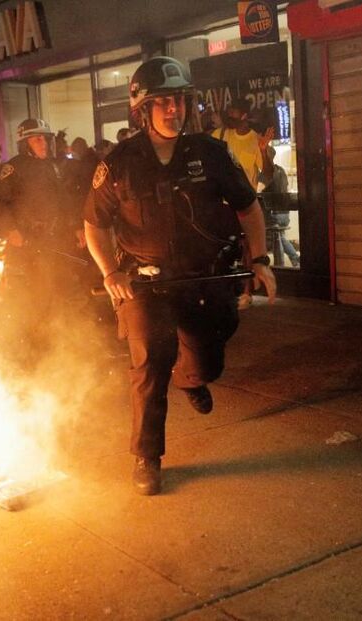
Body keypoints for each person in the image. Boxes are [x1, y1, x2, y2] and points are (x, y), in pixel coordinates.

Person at [84, 56, 277, 495]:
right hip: (145, 283)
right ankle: (147, 457)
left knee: (208, 356)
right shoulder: (119, 163)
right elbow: (94, 223)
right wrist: (110, 272)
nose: (174, 109)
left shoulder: (211, 153)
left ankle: (191, 377)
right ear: (143, 109)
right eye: (163, 102)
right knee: (150, 362)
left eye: (179, 100)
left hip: (203, 279)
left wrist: (261, 260)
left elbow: (249, 208)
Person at [0, 118, 86, 359]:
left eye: (45, 138)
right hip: (26, 243)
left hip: (52, 240)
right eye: (37, 139)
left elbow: (63, 200)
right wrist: (11, 230)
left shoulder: (51, 166)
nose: (43, 143)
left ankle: (58, 341)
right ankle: (31, 347)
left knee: (57, 289)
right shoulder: (12, 168)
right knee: (34, 294)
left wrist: (76, 227)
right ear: (25, 143)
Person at [212, 99, 274, 309]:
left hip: (244, 204)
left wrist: (264, 151)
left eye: (233, 112)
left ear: (244, 116)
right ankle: (222, 291)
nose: (229, 116)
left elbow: (268, 174)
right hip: (220, 204)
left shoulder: (255, 139)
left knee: (247, 249)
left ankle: (246, 293)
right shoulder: (220, 135)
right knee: (220, 247)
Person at [260, 146, 299, 268]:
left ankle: (280, 265)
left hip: (274, 213)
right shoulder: (281, 170)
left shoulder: (266, 173)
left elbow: (258, 189)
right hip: (285, 213)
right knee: (280, 236)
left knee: (276, 236)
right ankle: (294, 259)